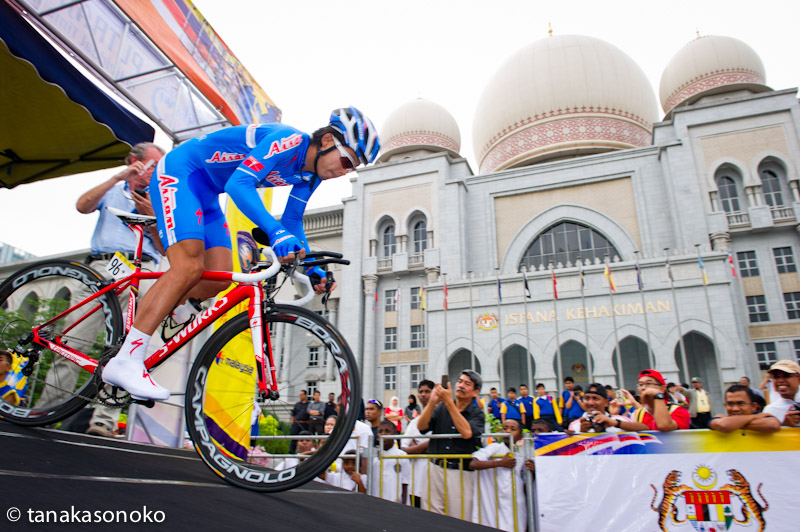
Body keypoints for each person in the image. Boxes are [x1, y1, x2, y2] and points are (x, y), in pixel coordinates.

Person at [101, 108, 380, 400]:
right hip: (180, 173)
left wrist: (312, 268)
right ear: (325, 141)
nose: (345, 171)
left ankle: (171, 307)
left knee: (219, 279)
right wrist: (275, 232)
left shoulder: (310, 176)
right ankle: (126, 360)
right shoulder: (289, 140)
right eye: (346, 160)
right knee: (188, 266)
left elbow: (293, 222)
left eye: (352, 168)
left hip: (207, 194)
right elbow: (239, 183)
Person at [36, 142, 166, 438]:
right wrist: (117, 178)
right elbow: (82, 205)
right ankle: (45, 412)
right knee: (72, 342)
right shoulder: (111, 189)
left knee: (131, 349)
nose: (156, 172)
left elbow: (164, 248)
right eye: (153, 165)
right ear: (136, 162)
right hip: (101, 268)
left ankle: (105, 419)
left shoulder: (161, 199)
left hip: (142, 271)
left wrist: (153, 223)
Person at [417, 370, 484, 519]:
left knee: (458, 519)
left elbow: (466, 432)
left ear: (475, 392)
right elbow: (422, 427)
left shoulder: (477, 414)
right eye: (459, 382)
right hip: (435, 469)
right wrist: (432, 402)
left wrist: (448, 402)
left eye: (467, 384)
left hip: (460, 473)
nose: (461, 386)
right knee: (431, 518)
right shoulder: (441, 408)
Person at [469, 419, 527, 532]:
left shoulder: (521, 452)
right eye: (505, 428)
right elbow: (473, 463)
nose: (508, 431)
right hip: (496, 500)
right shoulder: (495, 448)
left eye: (513, 429)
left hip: (516, 500)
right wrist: (500, 463)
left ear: (520, 435)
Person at [402, 379, 434, 509]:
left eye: (427, 391)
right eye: (421, 391)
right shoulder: (414, 423)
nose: (423, 394)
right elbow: (404, 449)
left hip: (435, 480)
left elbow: (441, 448)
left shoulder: (441, 418)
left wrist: (415, 447)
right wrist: (427, 445)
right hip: (416, 482)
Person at [709, 385, 780, 433]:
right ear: (725, 405)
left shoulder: (765, 417)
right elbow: (722, 425)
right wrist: (754, 417)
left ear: (754, 406)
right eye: (730, 404)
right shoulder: (719, 418)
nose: (735, 409)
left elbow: (773, 425)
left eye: (741, 403)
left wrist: (733, 424)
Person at [371, 420, 411, 505]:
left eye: (387, 431)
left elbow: (405, 483)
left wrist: (404, 506)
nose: (384, 434)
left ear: (395, 434)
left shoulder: (402, 456)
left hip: (395, 503)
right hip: (375, 502)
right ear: (377, 436)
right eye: (381, 431)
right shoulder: (374, 457)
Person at [762, 360, 800, 427]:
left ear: (798, 379)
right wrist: (783, 424)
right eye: (776, 377)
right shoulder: (770, 410)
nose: (781, 380)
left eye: (786, 376)